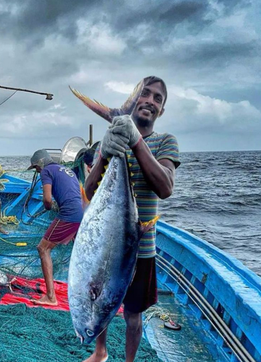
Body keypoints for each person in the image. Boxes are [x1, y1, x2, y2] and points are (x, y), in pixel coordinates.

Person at [83, 76, 180, 362]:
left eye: (158, 98)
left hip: (141, 248)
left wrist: (136, 141)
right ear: (136, 100)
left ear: (161, 110)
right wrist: (105, 153)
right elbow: (88, 190)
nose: (150, 100)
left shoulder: (165, 142)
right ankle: (100, 352)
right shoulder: (110, 141)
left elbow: (165, 187)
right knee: (100, 298)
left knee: (133, 314)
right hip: (105, 243)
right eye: (145, 94)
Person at [27, 149, 83, 306]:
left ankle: (51, 297)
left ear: (41, 163)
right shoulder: (67, 170)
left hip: (69, 215)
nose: (38, 172)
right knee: (81, 252)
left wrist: (49, 207)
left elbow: (46, 199)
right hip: (81, 213)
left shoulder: (46, 171)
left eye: (36, 168)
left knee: (43, 248)